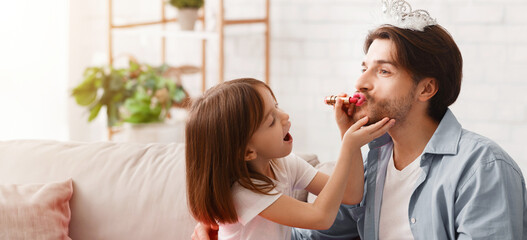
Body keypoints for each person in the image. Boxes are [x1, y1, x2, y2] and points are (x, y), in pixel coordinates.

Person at [192, 3, 527, 240]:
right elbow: (316, 228)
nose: (361, 84)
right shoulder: (376, 159)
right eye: (363, 67)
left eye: (383, 71)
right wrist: (226, 228)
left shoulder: (482, 168)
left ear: (426, 88)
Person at [185, 78, 395, 240]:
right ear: (248, 152)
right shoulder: (243, 192)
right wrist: (348, 147)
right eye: (271, 121)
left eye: (276, 106)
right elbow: (320, 217)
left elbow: (351, 195)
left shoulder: (283, 163)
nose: (285, 117)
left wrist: (346, 132)